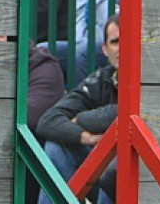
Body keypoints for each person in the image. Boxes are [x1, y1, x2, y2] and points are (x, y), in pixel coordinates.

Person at [37, 13, 120, 204]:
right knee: (58, 146)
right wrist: (87, 137)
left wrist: (81, 119)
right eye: (115, 42)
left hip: (142, 176)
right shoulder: (102, 78)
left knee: (113, 169)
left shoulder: (153, 79)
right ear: (105, 49)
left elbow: (126, 112)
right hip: (103, 172)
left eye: (128, 41)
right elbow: (47, 121)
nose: (122, 48)